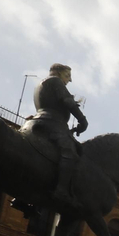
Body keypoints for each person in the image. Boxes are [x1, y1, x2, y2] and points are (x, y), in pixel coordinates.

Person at [31, 62, 87, 201]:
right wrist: (82, 120)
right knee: (70, 153)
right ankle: (61, 191)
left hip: (37, 120)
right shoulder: (55, 82)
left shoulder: (41, 83)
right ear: (59, 73)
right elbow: (68, 102)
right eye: (68, 75)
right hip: (52, 123)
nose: (70, 79)